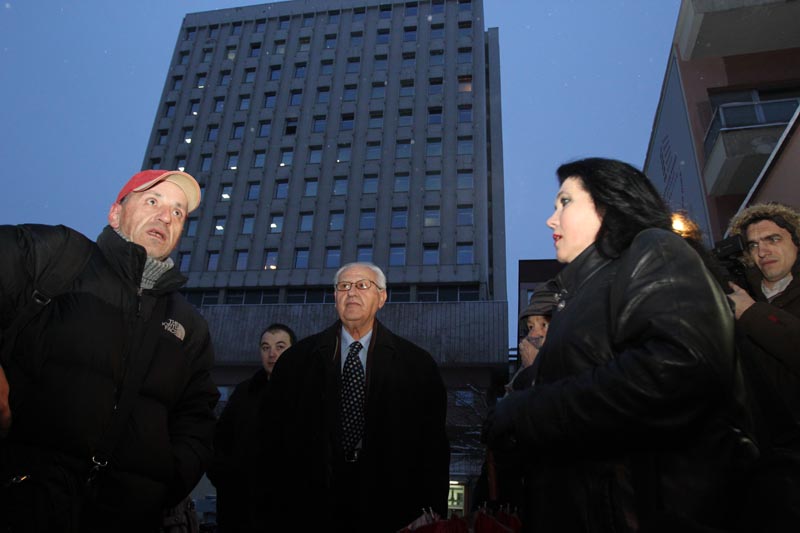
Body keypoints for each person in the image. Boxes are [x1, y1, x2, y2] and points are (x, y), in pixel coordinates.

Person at [483, 158, 755, 533]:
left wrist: (526, 409)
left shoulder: (654, 248)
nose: (551, 219)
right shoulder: (582, 292)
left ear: (609, 205)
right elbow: (590, 373)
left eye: (565, 202)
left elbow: (679, 370)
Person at [0, 170, 219, 532]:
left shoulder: (189, 325)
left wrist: (167, 481)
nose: (166, 217)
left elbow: (198, 417)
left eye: (178, 213)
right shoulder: (58, 256)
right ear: (115, 213)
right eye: (153, 201)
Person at [259, 262, 450, 532]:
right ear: (335, 297)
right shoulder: (295, 362)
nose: (351, 293)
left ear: (382, 297)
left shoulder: (417, 365)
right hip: (310, 508)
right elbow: (270, 440)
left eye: (362, 285)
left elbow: (434, 448)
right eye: (344, 286)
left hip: (392, 509)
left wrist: (430, 510)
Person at [726, 202, 800, 531]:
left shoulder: (747, 304)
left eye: (774, 239)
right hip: (761, 456)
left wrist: (751, 313)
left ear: (796, 242)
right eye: (754, 245)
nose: (763, 251)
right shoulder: (741, 293)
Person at [208, 323, 297, 532]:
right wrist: (224, 478)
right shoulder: (243, 393)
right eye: (266, 347)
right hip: (240, 509)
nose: (272, 354)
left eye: (280, 347)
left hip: (287, 511)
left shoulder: (307, 392)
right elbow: (218, 441)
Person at [507, 280, 559, 394]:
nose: (532, 335)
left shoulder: (582, 370)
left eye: (544, 325)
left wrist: (533, 370)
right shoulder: (521, 374)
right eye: (530, 327)